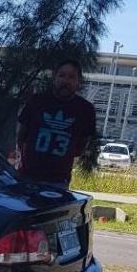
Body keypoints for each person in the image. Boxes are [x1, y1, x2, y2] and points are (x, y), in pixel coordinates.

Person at [16, 58, 96, 189]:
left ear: (78, 81)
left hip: (58, 180)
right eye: (62, 75)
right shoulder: (37, 101)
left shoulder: (85, 109)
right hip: (28, 175)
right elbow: (21, 135)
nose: (66, 81)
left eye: (71, 77)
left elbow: (81, 146)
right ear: (54, 78)